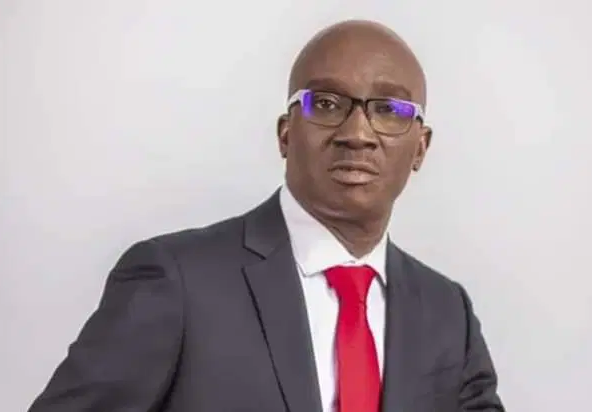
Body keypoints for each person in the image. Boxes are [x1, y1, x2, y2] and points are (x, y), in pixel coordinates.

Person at [28, 19, 505, 412]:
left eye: (389, 109)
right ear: (285, 134)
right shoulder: (176, 282)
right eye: (327, 103)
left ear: (420, 148)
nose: (357, 133)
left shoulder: (448, 313)